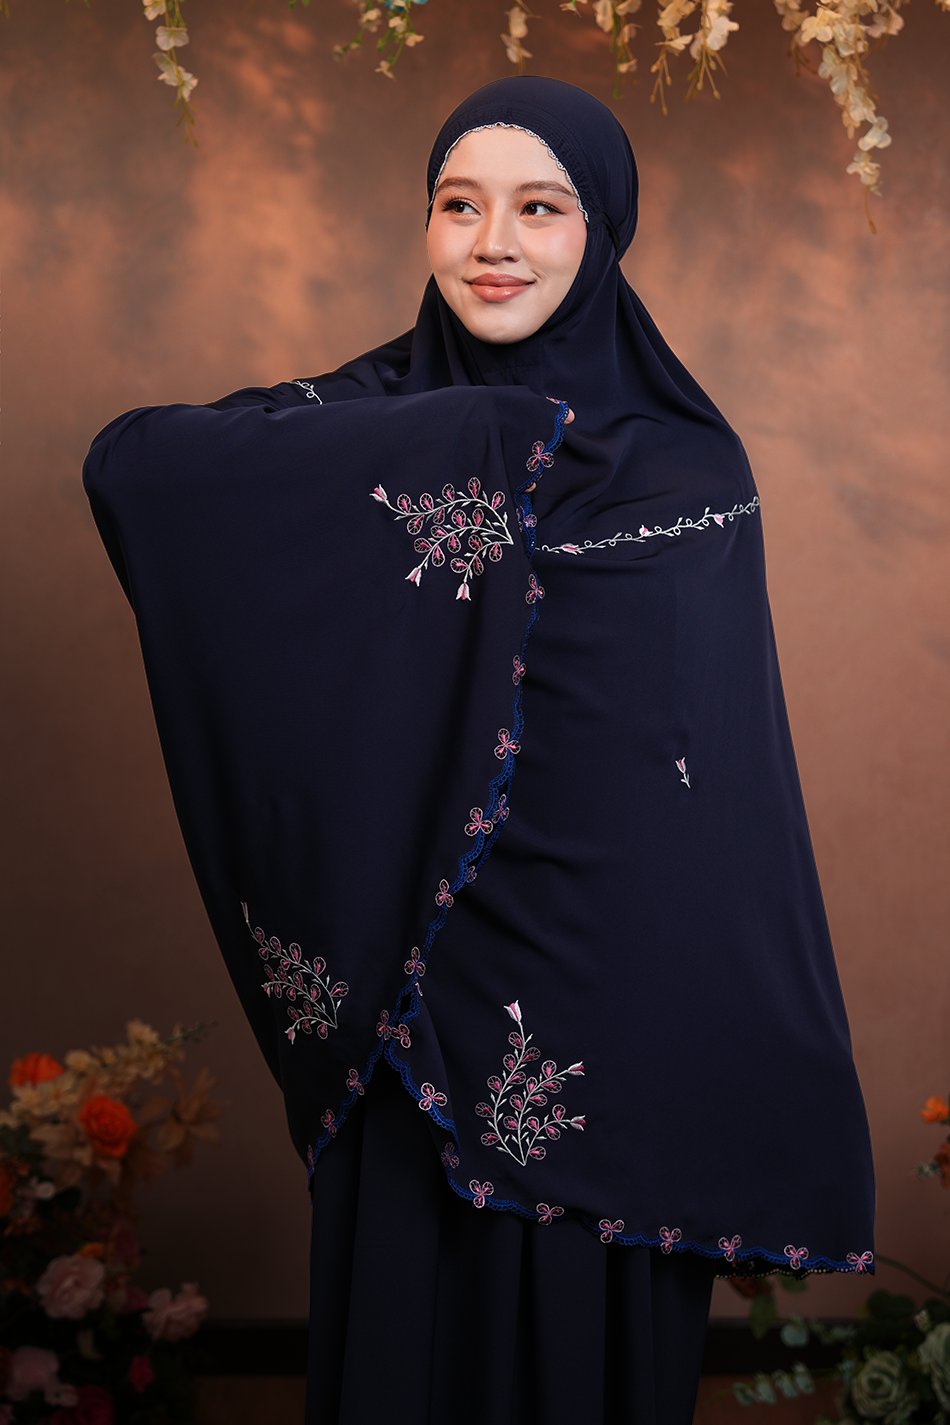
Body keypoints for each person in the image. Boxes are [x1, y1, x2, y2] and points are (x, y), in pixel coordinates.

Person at [84, 77, 875, 1425]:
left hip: (610, 1023)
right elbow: (134, 465)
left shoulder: (683, 470)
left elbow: (712, 786)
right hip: (414, 1003)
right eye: (459, 206)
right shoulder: (377, 411)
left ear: (602, 232)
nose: (492, 243)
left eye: (540, 208)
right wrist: (474, 433)